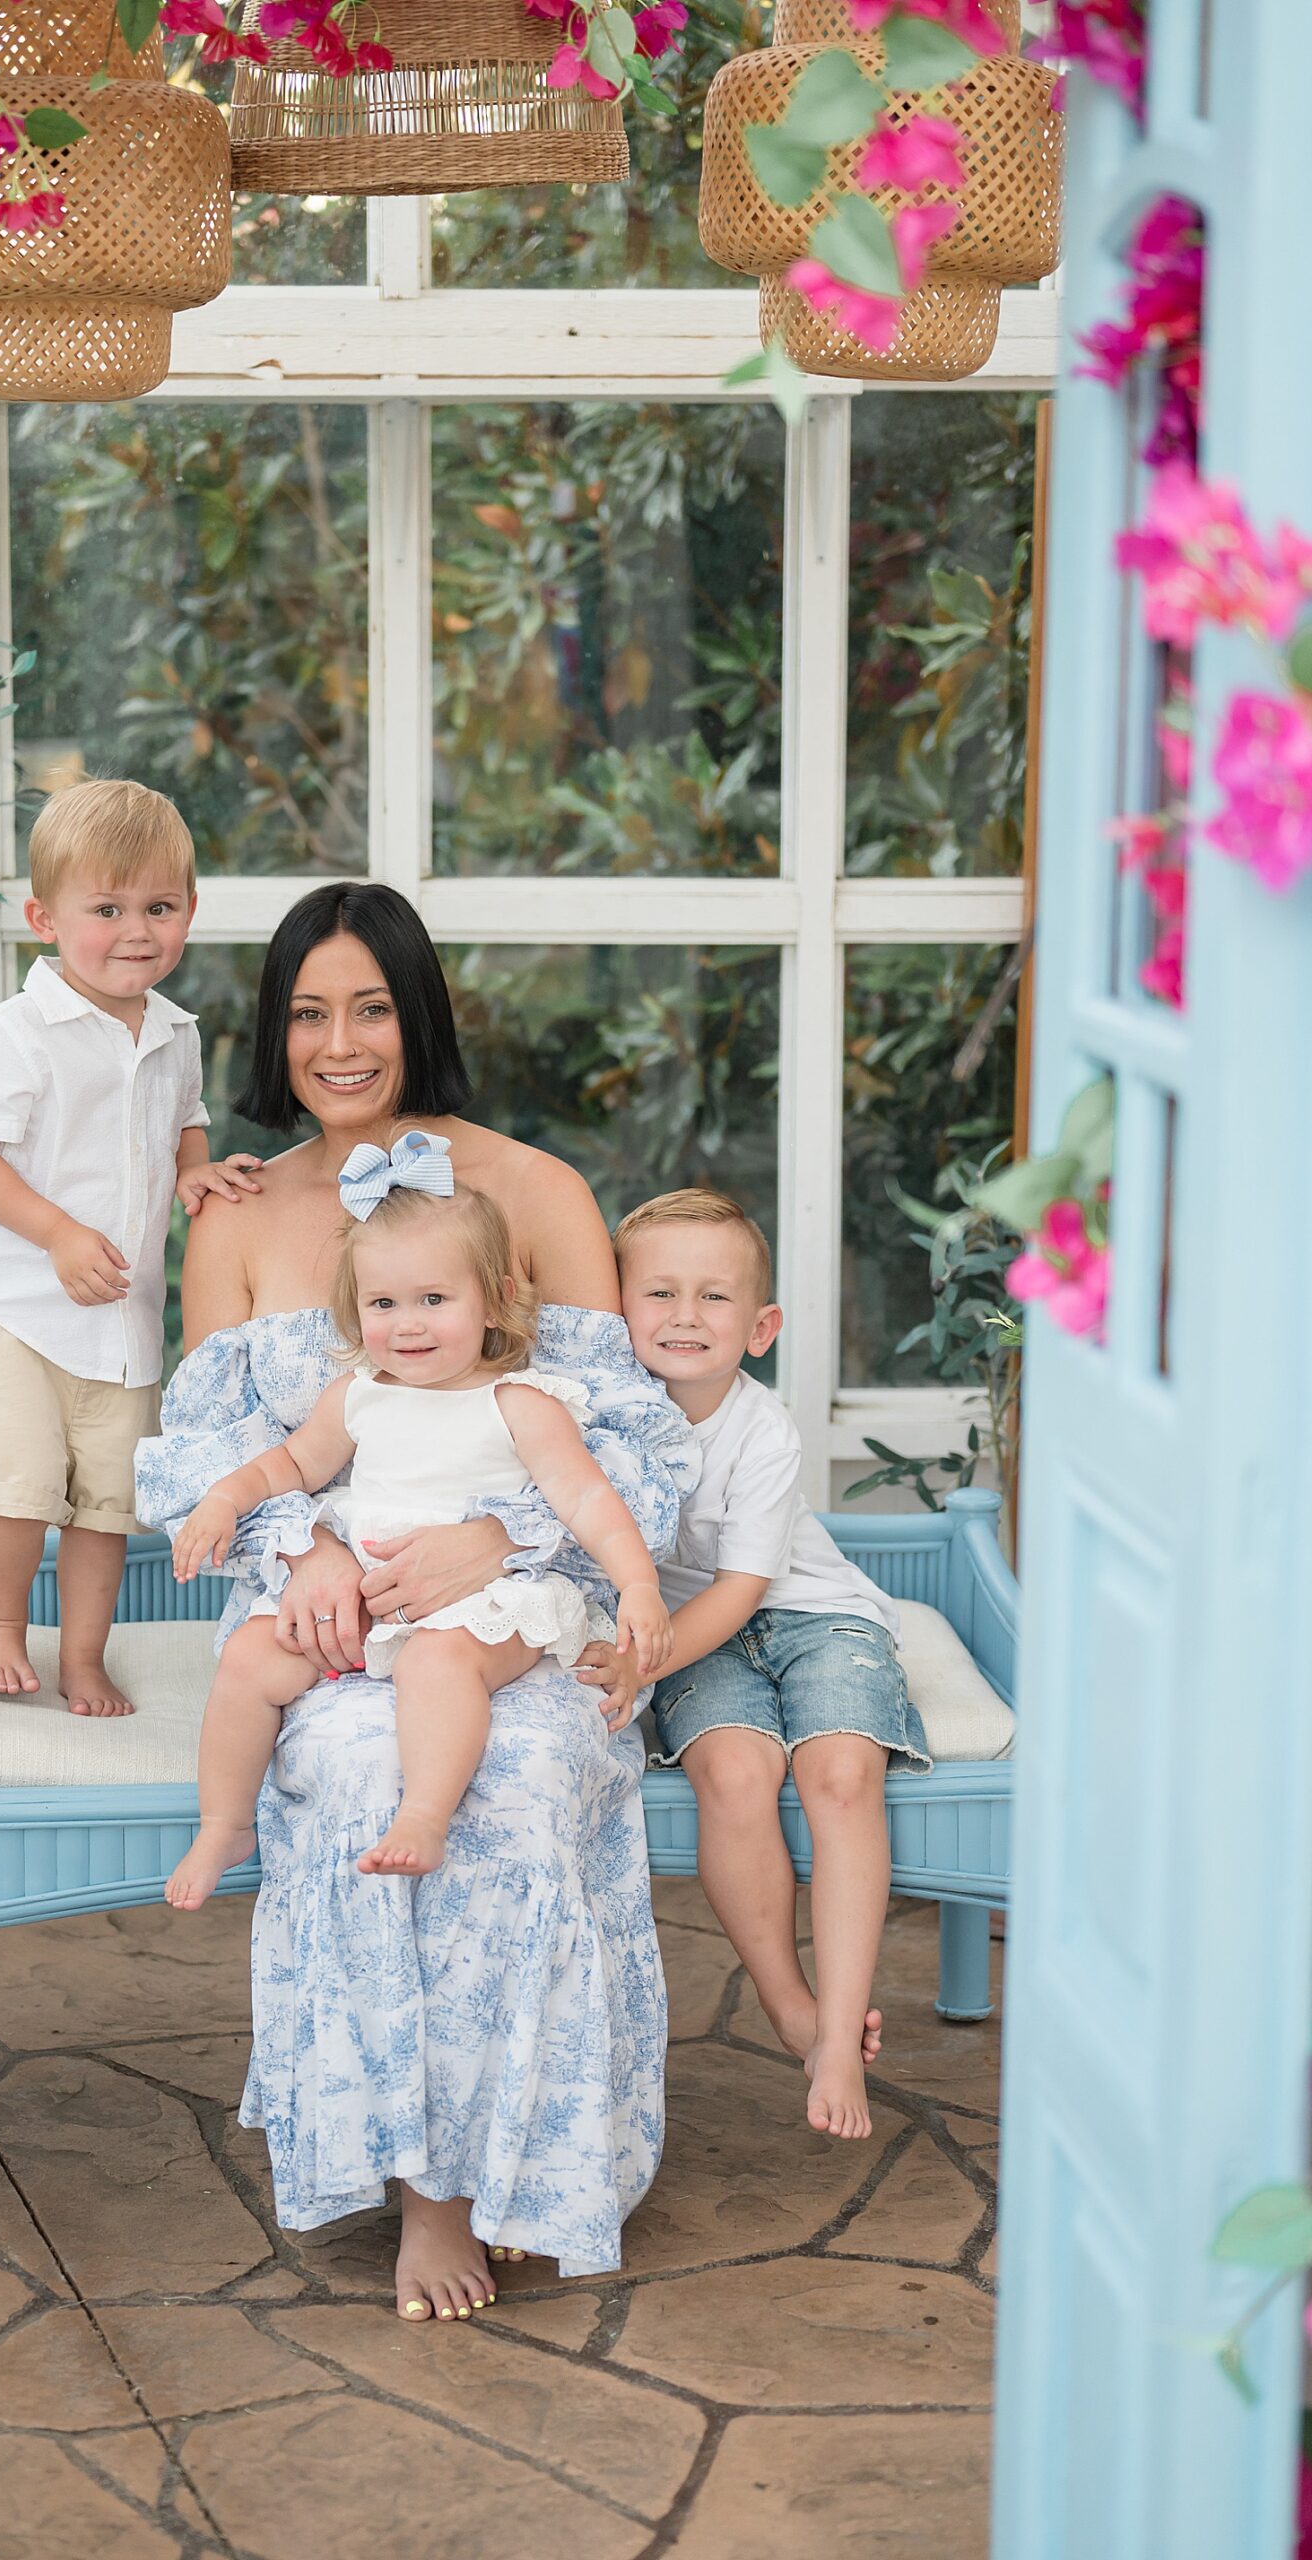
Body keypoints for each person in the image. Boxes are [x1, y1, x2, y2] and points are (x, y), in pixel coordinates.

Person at [134, 883, 695, 2322]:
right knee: (361, 1769)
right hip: (325, 1619)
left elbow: (627, 1441)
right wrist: (304, 1552)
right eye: (308, 1011)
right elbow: (213, 1451)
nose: (339, 1041)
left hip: (517, 1623)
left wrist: (497, 1542)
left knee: (509, 1788)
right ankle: (422, 2188)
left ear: (418, 1014)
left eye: (370, 1005)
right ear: (276, 1031)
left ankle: (518, 2159)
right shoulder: (243, 1213)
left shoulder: (539, 1191)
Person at [163, 1157, 672, 1903]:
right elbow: (288, 1465)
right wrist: (223, 1500)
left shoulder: (520, 1404)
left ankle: (424, 1817)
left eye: (434, 1299)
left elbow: (589, 1501)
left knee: (437, 1666)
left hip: (485, 1607)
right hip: (372, 1602)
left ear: (495, 1301)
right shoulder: (359, 1395)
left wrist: (637, 1584)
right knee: (247, 1660)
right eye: (384, 1302)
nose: (406, 1324)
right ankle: (223, 1823)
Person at [596, 1188, 929, 2143]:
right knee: (736, 1772)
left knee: (838, 1771)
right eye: (658, 1293)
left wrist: (634, 1665)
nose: (685, 1317)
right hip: (698, 1635)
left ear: (761, 1326)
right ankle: (791, 2006)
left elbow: (743, 1590)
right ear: (617, 1313)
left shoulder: (763, 1427)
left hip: (812, 1618)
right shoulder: (605, 1423)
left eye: (714, 1297)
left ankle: (842, 2024)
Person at [0, 776, 259, 1718]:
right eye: (106, 909)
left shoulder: (176, 1033)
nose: (136, 930)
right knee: (19, 1486)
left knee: (107, 1507)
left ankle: (83, 1656)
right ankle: (0, 1625)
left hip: (121, 1325)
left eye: (159, 907)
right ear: (44, 918)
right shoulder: (15, 1035)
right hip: (18, 1311)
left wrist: (194, 1170)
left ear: (191, 911)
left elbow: (182, 1121)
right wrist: (59, 1233)